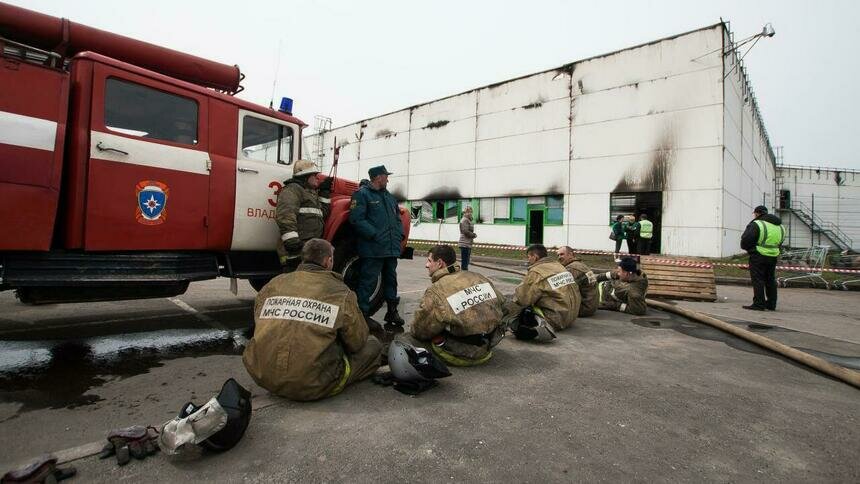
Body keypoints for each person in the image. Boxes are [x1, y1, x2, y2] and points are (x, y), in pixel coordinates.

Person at [242, 239, 382, 401]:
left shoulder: (274, 284)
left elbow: (259, 321)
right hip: (313, 385)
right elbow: (357, 342)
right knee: (373, 346)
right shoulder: (341, 293)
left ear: (304, 259)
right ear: (328, 261)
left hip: (263, 376)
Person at [410, 245, 506, 366]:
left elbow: (420, 330)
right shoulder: (478, 277)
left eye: (429, 261)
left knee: (405, 340)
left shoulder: (437, 290)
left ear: (440, 263)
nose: (426, 265)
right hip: (487, 346)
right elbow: (503, 303)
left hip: (461, 353)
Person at [349, 165, 406, 328]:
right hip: (373, 249)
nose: (388, 179)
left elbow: (397, 218)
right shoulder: (361, 195)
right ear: (378, 177)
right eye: (385, 176)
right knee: (368, 282)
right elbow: (356, 219)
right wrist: (374, 235)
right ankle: (363, 315)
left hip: (390, 247)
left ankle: (392, 312)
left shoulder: (389, 196)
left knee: (391, 280)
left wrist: (399, 234)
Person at [506, 244, 581, 341]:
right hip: (571, 316)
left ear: (535, 257)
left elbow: (523, 299)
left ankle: (538, 330)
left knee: (518, 311)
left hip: (555, 319)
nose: (528, 260)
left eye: (529, 257)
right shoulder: (559, 266)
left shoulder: (537, 272)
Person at [275, 160, 332, 272]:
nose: (318, 178)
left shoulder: (310, 194)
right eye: (314, 175)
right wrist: (293, 243)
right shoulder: (292, 190)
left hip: (307, 250)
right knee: (294, 285)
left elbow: (322, 214)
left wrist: (325, 192)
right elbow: (285, 216)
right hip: (295, 251)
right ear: (305, 176)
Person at [740, 205, 785, 311]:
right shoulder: (780, 226)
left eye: (754, 213)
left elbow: (746, 240)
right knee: (770, 279)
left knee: (758, 280)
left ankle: (759, 304)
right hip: (773, 255)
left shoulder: (757, 224)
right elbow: (780, 241)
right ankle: (771, 304)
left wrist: (752, 251)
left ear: (757, 213)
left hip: (758, 255)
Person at [581, 257, 648, 315]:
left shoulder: (634, 294)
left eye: (619, 271)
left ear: (627, 273)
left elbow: (638, 311)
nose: (618, 273)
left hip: (597, 299)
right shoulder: (635, 272)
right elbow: (606, 275)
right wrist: (589, 280)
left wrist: (613, 305)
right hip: (596, 288)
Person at [556, 246, 599, 317]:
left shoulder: (572, 268)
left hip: (583, 308)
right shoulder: (580, 265)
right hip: (591, 306)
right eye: (558, 255)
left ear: (570, 254)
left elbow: (563, 289)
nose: (559, 257)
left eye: (562, 254)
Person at [458, 206, 477, 270]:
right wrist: (473, 235)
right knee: (465, 262)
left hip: (467, 243)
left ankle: (464, 273)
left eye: (471, 212)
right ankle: (463, 275)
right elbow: (465, 231)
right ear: (465, 212)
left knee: (466, 261)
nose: (470, 213)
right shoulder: (464, 220)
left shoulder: (468, 220)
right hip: (464, 243)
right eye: (469, 212)